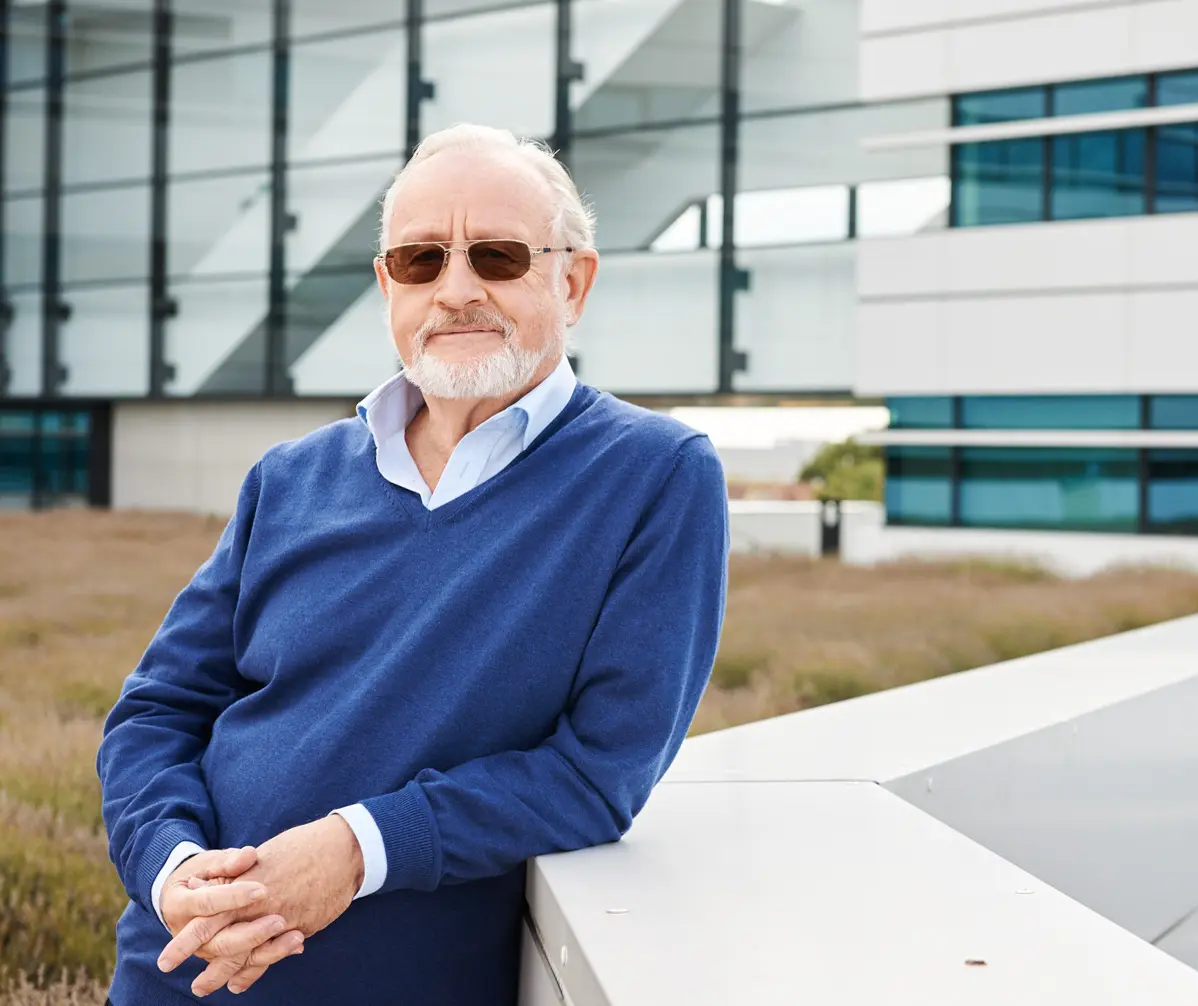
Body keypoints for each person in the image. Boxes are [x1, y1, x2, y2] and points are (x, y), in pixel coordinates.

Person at [97, 123, 730, 1005]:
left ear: (573, 281)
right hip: (178, 971)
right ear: (387, 284)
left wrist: (357, 849)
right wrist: (173, 869)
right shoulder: (288, 477)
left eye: (501, 257)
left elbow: (600, 771)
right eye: (421, 259)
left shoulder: (656, 475)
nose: (457, 288)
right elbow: (160, 711)